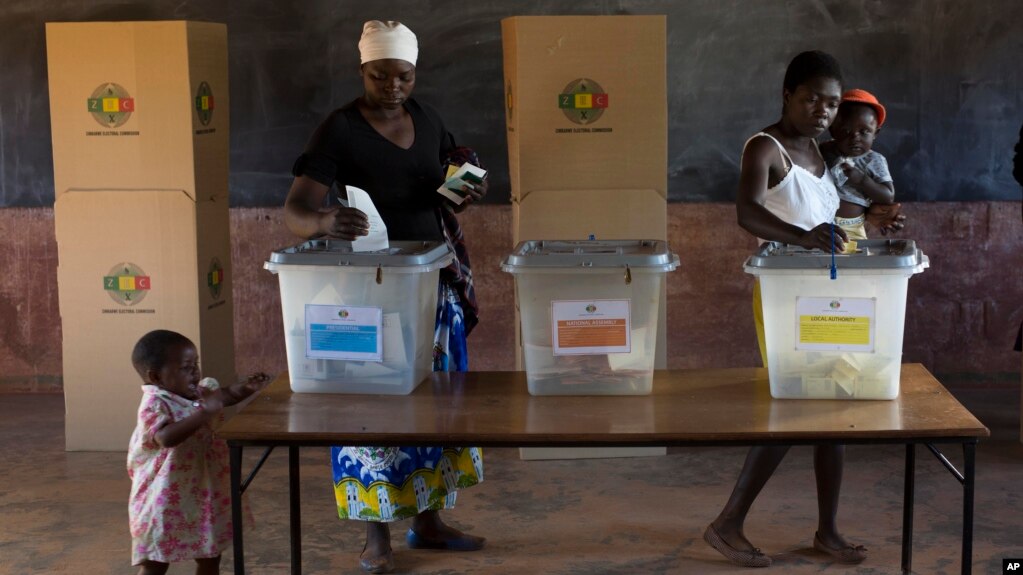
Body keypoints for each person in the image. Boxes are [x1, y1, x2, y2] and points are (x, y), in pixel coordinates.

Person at [283, 20, 486, 574]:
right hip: (367, 285)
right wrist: (325, 219)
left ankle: (428, 521)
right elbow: (296, 210)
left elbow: (442, 180)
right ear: (362, 72)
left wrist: (463, 188)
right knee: (368, 404)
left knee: (437, 404)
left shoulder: (427, 118)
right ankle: (375, 534)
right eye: (381, 75)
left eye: (403, 75)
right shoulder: (340, 130)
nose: (393, 86)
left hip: (428, 277)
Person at [703, 51, 904, 569]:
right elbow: (747, 212)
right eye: (812, 98)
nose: (822, 110)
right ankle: (727, 523)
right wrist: (806, 239)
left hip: (827, 293)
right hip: (785, 295)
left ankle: (828, 532)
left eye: (832, 103)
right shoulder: (765, 147)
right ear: (787, 95)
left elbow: (826, 216)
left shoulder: (818, 152)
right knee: (795, 409)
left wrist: (873, 224)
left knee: (833, 411)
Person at [127, 329, 268, 575]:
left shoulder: (199, 391)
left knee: (210, 553)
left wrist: (245, 389)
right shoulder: (155, 403)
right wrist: (205, 413)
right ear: (156, 376)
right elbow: (166, 437)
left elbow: (225, 395)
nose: (194, 372)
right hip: (164, 497)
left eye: (196, 364)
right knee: (155, 561)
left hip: (204, 492)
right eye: (185, 367)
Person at [820, 89, 895, 241]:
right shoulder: (824, 150)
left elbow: (888, 195)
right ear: (833, 131)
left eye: (864, 131)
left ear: (875, 133)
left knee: (854, 263)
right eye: (846, 130)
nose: (855, 137)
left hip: (851, 228)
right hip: (819, 225)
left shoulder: (874, 160)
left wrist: (862, 180)